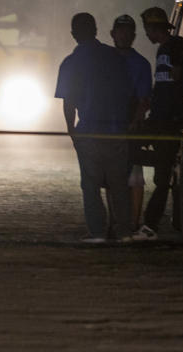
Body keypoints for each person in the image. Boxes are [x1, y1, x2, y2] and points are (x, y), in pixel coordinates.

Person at [54, 13, 134, 244]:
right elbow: (129, 94)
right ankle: (125, 232)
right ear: (97, 30)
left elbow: (68, 102)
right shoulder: (115, 57)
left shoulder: (70, 63)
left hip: (88, 130)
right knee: (119, 183)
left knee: (90, 184)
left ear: (73, 35)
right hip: (117, 129)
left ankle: (98, 232)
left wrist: (72, 130)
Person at [133, 7, 183, 241]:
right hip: (160, 120)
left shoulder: (172, 48)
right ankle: (173, 222)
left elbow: (175, 82)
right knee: (165, 173)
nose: (146, 34)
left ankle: (150, 226)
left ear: (152, 28)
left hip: (167, 122)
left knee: (162, 176)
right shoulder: (165, 50)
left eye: (147, 29)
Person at [109, 14, 153, 230]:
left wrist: (136, 120)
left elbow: (144, 99)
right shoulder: (105, 60)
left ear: (134, 36)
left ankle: (132, 223)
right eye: (121, 31)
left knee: (134, 176)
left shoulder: (141, 64)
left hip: (129, 125)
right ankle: (116, 221)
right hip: (109, 124)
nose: (124, 36)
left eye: (128, 32)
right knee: (111, 176)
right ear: (113, 34)